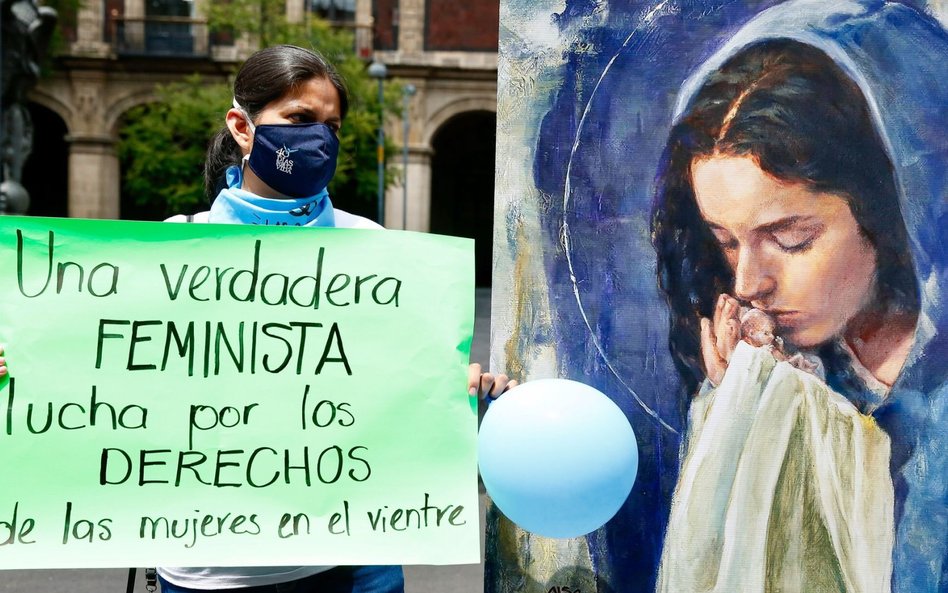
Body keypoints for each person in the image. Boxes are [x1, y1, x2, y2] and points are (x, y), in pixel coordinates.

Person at [0, 44, 514, 592]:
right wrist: (22, 376)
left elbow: (405, 388)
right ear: (242, 128)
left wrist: (460, 394)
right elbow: (91, 379)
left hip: (353, 562)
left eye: (332, 126)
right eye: (299, 119)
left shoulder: (372, 249)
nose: (319, 138)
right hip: (211, 571)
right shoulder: (172, 251)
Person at [650, 1, 948, 589]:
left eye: (789, 238)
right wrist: (739, 414)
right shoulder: (768, 367)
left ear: (889, 214)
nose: (746, 284)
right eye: (727, 242)